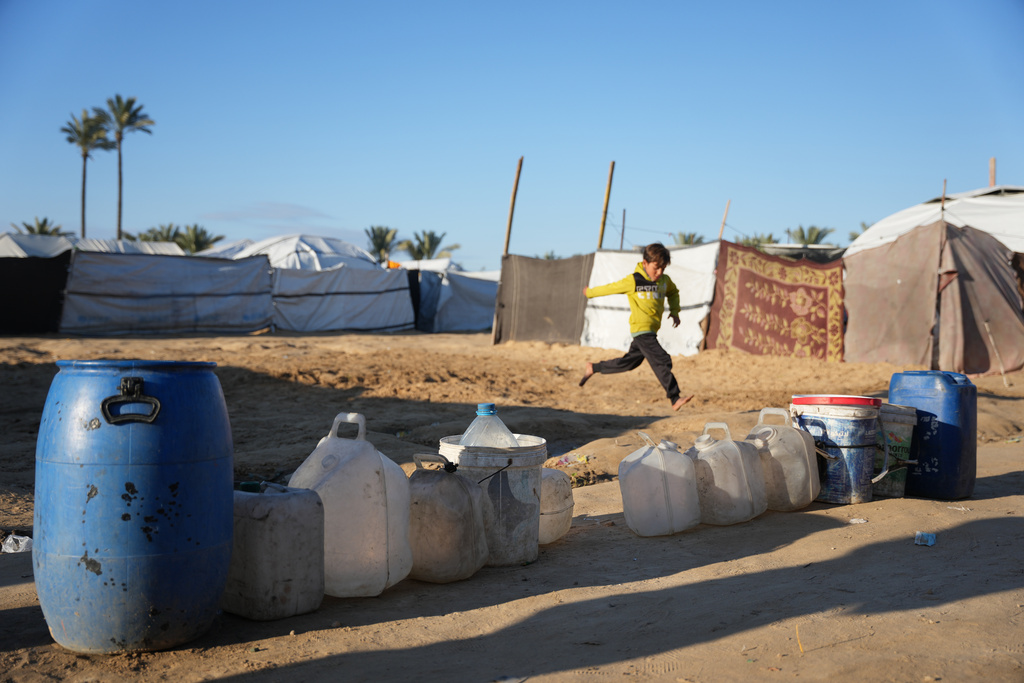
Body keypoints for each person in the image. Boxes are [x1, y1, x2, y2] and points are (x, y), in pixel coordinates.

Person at [579, 242, 693, 411]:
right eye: (656, 268)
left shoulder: (664, 281)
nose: (659, 272)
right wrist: (590, 292)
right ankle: (674, 397)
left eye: (663, 268)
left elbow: (673, 292)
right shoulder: (634, 281)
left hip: (651, 331)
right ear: (645, 263)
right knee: (662, 359)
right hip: (641, 331)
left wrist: (675, 311)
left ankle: (593, 367)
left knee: (629, 363)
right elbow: (611, 288)